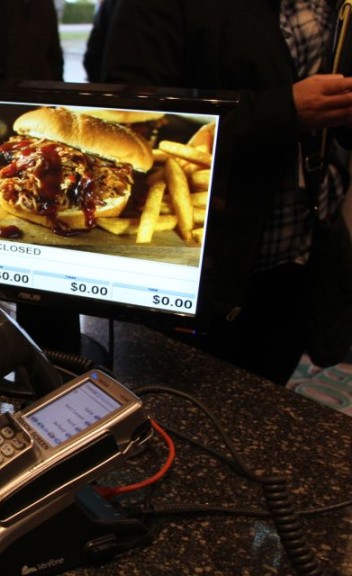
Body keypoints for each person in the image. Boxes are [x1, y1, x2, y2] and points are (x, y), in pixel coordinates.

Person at [95, 0, 352, 385]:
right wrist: (285, 110)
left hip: (300, 247)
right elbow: (132, 107)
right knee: (177, 400)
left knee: (266, 392)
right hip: (207, 258)